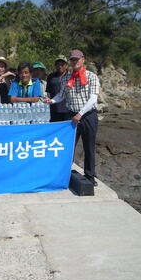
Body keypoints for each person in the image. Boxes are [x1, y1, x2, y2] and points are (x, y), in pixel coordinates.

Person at [45, 49, 101, 186]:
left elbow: (93, 98)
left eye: (77, 59)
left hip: (87, 116)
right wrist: (51, 101)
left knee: (89, 147)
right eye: (72, 60)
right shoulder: (68, 78)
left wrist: (80, 113)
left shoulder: (91, 76)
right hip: (72, 116)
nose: (74, 62)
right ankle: (63, 172)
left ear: (83, 59)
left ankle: (90, 176)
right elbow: (61, 95)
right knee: (68, 146)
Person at [46, 55, 71, 122]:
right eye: (58, 64)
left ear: (66, 65)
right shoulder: (51, 76)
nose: (60, 66)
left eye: (62, 64)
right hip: (54, 109)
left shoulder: (71, 76)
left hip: (67, 110)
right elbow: (48, 91)